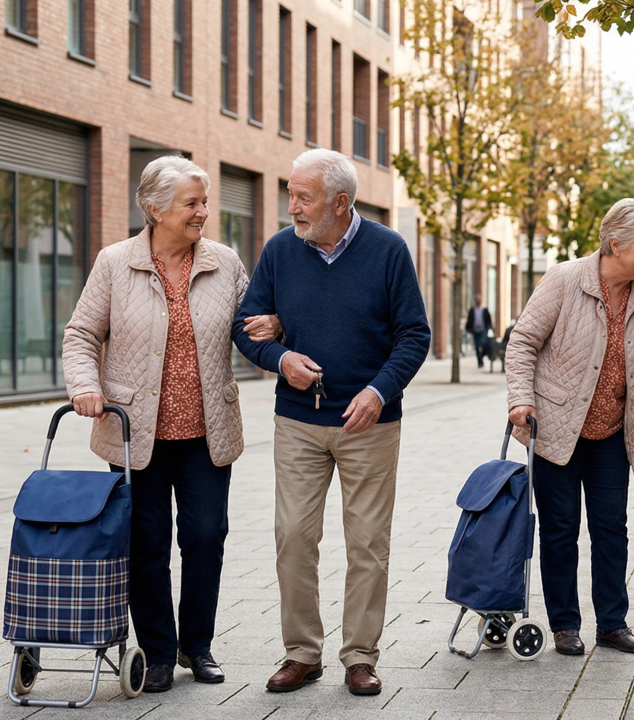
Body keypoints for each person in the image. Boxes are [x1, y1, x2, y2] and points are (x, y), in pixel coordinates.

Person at [63, 155, 278, 692]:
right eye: (192, 203)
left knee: (206, 537)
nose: (203, 211)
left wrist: (274, 326)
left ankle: (196, 645)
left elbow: (250, 332)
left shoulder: (225, 263)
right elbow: (81, 335)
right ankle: (158, 651)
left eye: (205, 202)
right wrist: (85, 387)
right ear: (155, 208)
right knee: (146, 543)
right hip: (136, 434)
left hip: (206, 432)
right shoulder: (115, 263)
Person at [233, 149, 431, 696]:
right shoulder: (279, 250)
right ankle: (302, 653)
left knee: (367, 543)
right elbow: (244, 326)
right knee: (293, 536)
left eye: (303, 197)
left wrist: (378, 390)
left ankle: (360, 657)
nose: (291, 206)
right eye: (290, 194)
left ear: (340, 203)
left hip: (369, 423)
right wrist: (280, 360)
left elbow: (415, 335)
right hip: (297, 420)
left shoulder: (388, 250)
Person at [505, 198, 634, 656]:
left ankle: (612, 623)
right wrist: (520, 398)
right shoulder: (565, 280)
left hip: (612, 431)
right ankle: (565, 625)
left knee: (612, 529)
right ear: (614, 244)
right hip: (557, 428)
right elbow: (523, 340)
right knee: (560, 530)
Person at [468, 294, 493, 368]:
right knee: (477, 346)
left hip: (483, 330)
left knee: (483, 344)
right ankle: (480, 362)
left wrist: (490, 328)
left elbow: (488, 320)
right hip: (475, 330)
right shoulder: (472, 310)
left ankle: (481, 357)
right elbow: (469, 320)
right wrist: (469, 329)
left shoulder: (484, 310)